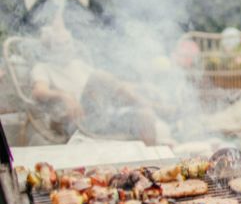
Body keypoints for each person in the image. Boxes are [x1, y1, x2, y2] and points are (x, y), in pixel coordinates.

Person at [30, 23, 161, 145]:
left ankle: (156, 164)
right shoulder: (43, 67)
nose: (67, 47)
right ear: (48, 47)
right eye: (60, 44)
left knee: (145, 116)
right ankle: (156, 107)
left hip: (100, 116)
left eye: (68, 42)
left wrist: (141, 86)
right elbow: (38, 91)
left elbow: (112, 84)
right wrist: (64, 96)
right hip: (74, 120)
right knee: (99, 76)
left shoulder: (78, 65)